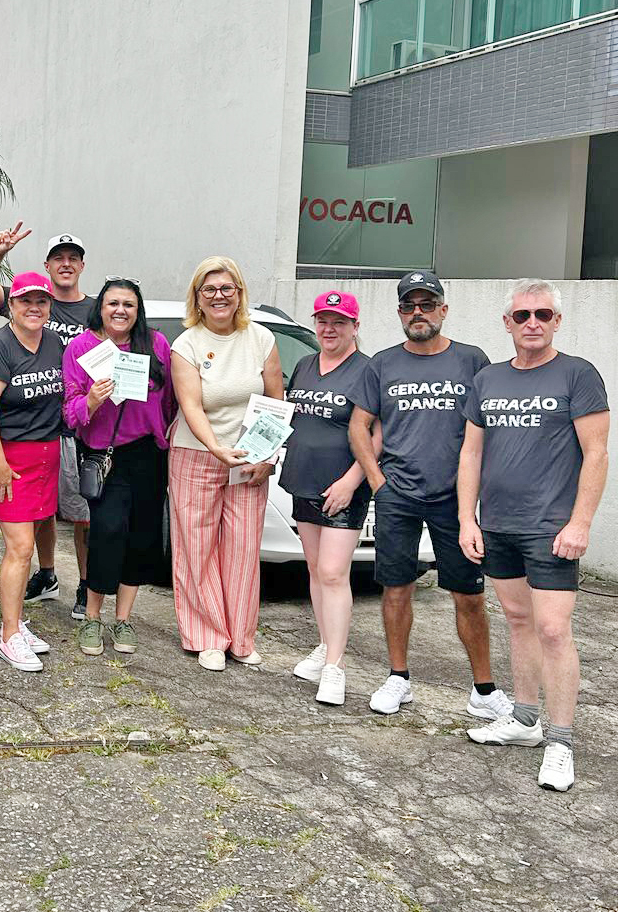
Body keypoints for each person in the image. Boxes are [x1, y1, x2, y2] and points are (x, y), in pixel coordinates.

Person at [459, 279, 609, 792]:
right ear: (507, 323)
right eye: (522, 315)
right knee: (519, 621)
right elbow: (471, 453)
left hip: (551, 528)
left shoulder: (578, 374)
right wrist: (467, 519)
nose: (532, 323)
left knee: (553, 630)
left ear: (557, 321)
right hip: (498, 525)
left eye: (543, 314)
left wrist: (580, 523)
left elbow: (596, 453)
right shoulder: (488, 379)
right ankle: (525, 720)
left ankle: (561, 742)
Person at [349, 270, 511, 719]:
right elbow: (359, 425)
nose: (417, 313)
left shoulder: (472, 361)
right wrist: (377, 481)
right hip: (398, 494)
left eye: (426, 304)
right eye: (409, 305)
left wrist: (478, 495)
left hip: (455, 500)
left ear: (443, 309)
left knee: (469, 596)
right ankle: (398, 678)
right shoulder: (382, 364)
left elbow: (488, 425)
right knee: (396, 588)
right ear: (400, 313)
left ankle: (484, 690)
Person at [169, 256, 283, 672]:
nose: (219, 296)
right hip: (197, 453)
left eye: (226, 288)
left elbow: (275, 400)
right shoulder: (187, 344)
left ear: (239, 294)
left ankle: (241, 638)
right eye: (209, 290)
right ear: (198, 298)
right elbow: (191, 406)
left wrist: (268, 455)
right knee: (196, 547)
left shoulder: (262, 338)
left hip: (249, 458)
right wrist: (217, 447)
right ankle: (207, 637)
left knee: (243, 549)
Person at [0, 224, 95, 618]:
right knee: (33, 524)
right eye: (58, 258)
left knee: (76, 513)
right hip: (26, 437)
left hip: (74, 429)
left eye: (73, 258)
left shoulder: (93, 311)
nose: (66, 264)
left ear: (82, 265)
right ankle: (45, 576)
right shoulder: (20, 321)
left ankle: (85, 585)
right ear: (47, 266)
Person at [63, 278, 174, 657]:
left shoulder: (156, 343)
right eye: (113, 303)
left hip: (148, 453)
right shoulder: (82, 347)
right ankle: (93, 616)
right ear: (101, 307)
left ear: (138, 310)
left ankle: (123, 619)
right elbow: (70, 410)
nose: (120, 311)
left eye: (128, 304)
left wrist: (165, 434)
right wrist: (92, 400)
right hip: (105, 455)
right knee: (107, 532)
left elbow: (169, 400)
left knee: (141, 536)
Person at [281, 292, 374, 706]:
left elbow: (377, 434)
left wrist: (352, 481)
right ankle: (324, 645)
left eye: (339, 322)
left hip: (342, 488)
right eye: (323, 320)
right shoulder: (305, 365)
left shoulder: (367, 370)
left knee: (335, 573)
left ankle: (336, 666)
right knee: (316, 571)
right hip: (304, 480)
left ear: (355, 326)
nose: (329, 329)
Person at [0, 272, 62, 672]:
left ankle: (17, 622)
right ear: (10, 305)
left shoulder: (54, 342)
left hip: (46, 454)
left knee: (31, 539)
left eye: (41, 301)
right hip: (9, 457)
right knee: (20, 547)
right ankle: (8, 636)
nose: (34, 308)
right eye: (25, 301)